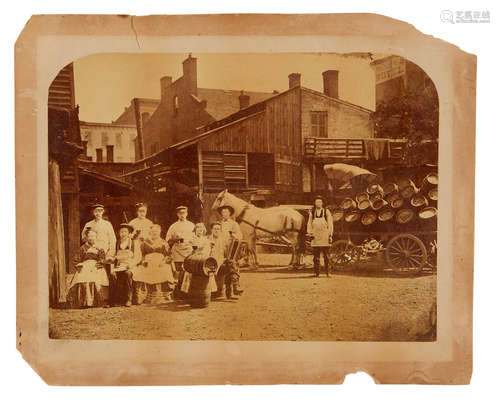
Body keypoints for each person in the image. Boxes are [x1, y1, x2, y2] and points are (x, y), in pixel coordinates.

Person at [132, 224, 176, 304]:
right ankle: (146, 296)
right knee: (143, 270)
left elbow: (168, 255)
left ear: (159, 232)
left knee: (165, 269)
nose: (154, 233)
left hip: (160, 262)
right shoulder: (145, 243)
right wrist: (143, 261)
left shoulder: (163, 242)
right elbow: (141, 254)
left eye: (156, 231)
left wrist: (164, 262)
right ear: (150, 232)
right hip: (148, 262)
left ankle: (163, 296)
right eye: (152, 232)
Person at [66, 229, 110, 308]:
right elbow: (77, 259)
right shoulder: (83, 248)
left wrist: (100, 263)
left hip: (96, 265)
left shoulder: (99, 248)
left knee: (97, 278)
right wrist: (79, 265)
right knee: (81, 277)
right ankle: (83, 302)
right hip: (85, 265)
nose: (91, 238)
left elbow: (102, 258)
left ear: (96, 237)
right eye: (89, 236)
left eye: (93, 236)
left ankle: (99, 301)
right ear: (86, 237)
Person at [208, 222, 243, 299]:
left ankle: (232, 289)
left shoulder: (223, 241)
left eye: (218, 229)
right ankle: (235, 288)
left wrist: (234, 238)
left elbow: (234, 245)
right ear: (211, 230)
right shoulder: (207, 240)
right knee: (231, 265)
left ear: (220, 231)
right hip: (210, 265)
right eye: (215, 229)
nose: (216, 231)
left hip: (220, 264)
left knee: (231, 264)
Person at [166, 206, 195, 295]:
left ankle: (187, 292)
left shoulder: (191, 225)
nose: (182, 215)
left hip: (188, 251)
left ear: (187, 214)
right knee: (178, 272)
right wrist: (175, 239)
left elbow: (196, 237)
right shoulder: (173, 226)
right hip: (177, 251)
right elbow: (167, 239)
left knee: (187, 271)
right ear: (177, 214)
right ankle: (178, 292)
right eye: (180, 213)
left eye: (184, 213)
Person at [111, 223, 141, 307]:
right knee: (112, 275)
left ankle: (129, 299)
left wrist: (130, 265)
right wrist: (112, 259)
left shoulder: (134, 243)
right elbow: (114, 256)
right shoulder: (117, 243)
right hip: (120, 266)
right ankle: (117, 299)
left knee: (127, 274)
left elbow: (138, 257)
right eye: (121, 232)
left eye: (125, 232)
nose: (123, 234)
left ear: (128, 233)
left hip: (131, 265)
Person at [307, 195, 333, 277]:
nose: (318, 204)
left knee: (326, 256)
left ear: (322, 203)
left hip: (325, 235)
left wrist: (330, 235)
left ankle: (328, 273)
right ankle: (316, 273)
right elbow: (309, 224)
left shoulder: (326, 212)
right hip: (316, 236)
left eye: (319, 202)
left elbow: (330, 224)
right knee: (316, 257)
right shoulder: (312, 212)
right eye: (316, 202)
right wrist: (310, 233)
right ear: (314, 203)